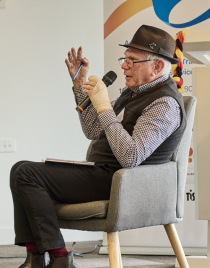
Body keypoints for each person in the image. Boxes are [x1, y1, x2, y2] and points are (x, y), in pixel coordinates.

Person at [10, 24, 186, 268]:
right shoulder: (133, 92)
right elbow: (92, 129)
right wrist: (79, 85)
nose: (124, 65)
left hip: (122, 182)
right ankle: (37, 258)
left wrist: (104, 106)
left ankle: (60, 258)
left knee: (27, 174)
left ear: (157, 67)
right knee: (20, 168)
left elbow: (131, 156)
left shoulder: (165, 103)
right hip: (102, 173)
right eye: (125, 59)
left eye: (132, 61)